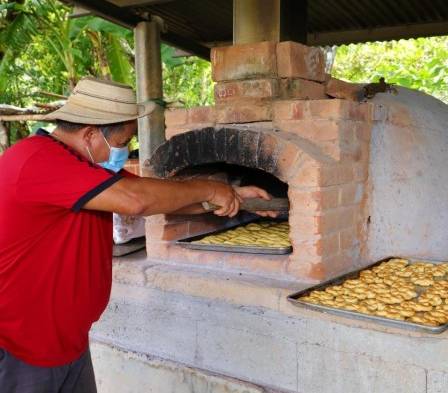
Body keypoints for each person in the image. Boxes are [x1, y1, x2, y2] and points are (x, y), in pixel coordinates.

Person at [0, 77, 275, 392]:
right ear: (90, 134)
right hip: (22, 346)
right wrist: (213, 188)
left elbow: (156, 195)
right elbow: (137, 200)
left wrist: (235, 197)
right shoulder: (36, 160)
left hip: (66, 343)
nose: (125, 150)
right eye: (123, 141)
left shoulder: (80, 164)